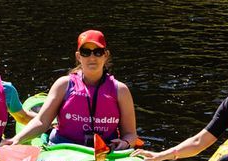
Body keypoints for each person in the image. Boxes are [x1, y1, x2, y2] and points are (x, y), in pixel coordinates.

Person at [8, 29, 139, 150]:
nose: (92, 57)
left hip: (105, 150)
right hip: (64, 148)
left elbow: (130, 134)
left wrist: (125, 142)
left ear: (106, 55)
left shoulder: (120, 90)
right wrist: (16, 140)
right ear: (78, 56)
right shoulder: (63, 85)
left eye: (98, 52)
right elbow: (42, 121)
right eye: (86, 52)